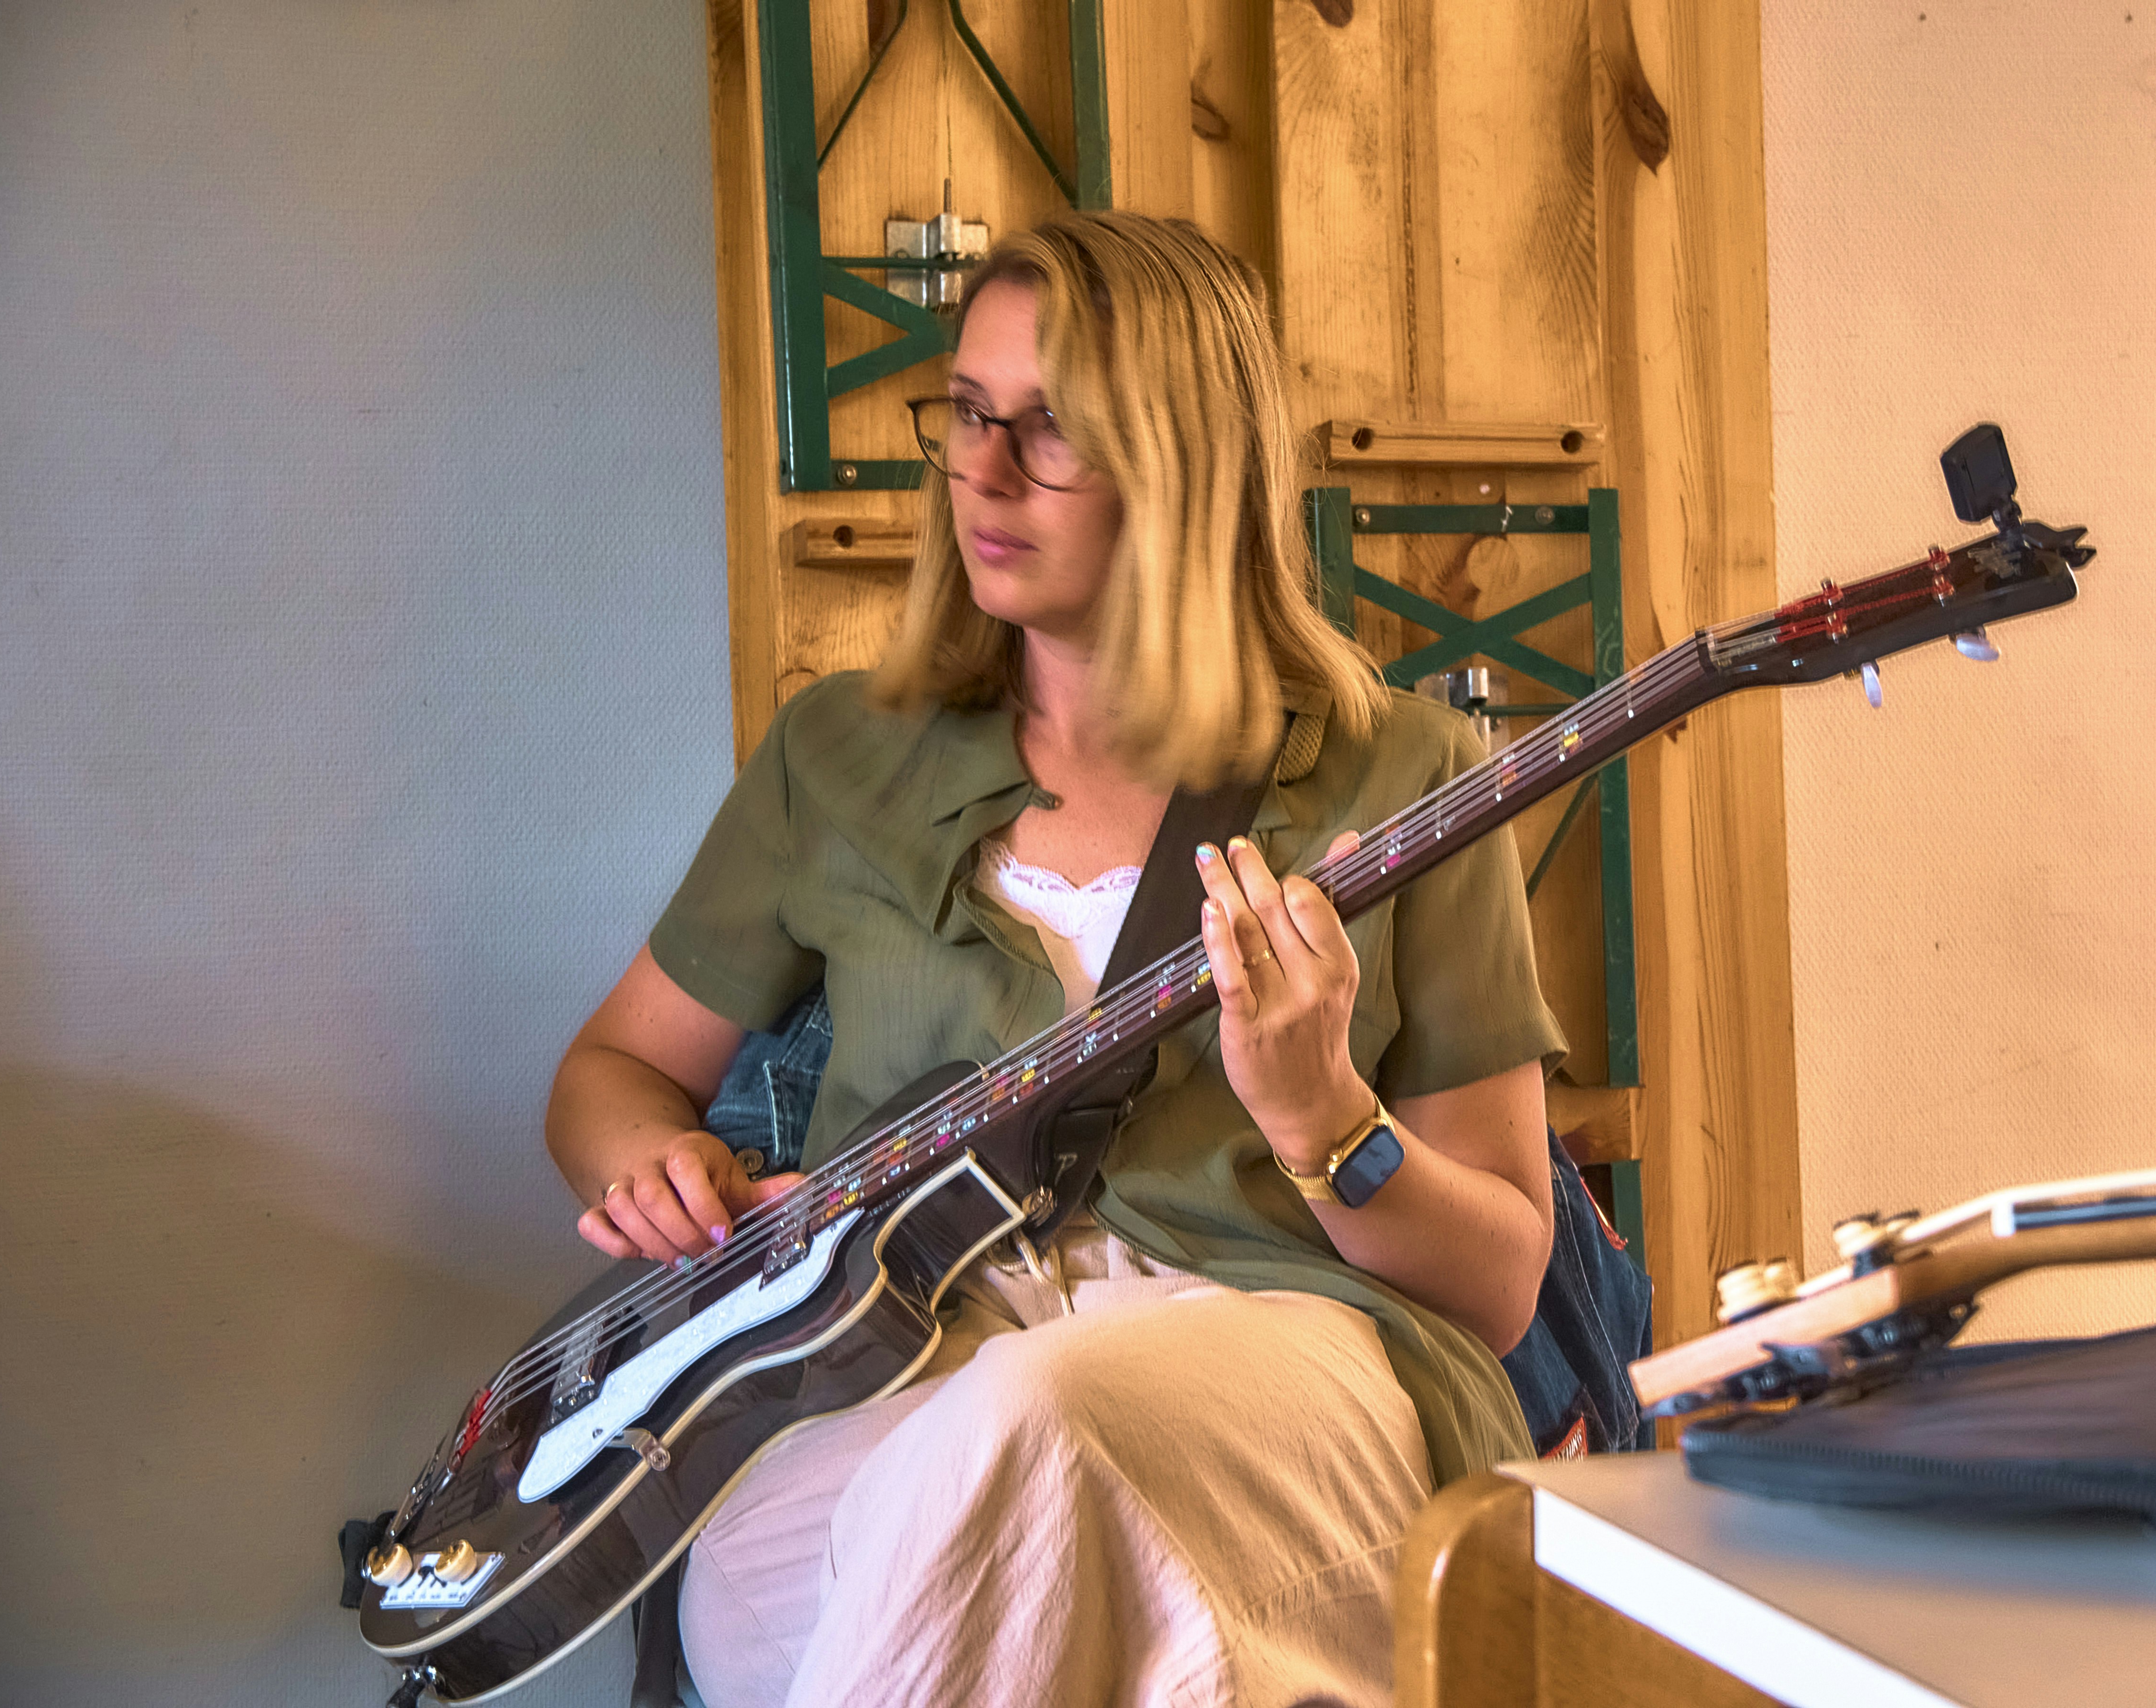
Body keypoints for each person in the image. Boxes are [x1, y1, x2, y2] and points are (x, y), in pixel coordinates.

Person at [544, 211, 1565, 1708]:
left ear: (1185, 467)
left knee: (1040, 1426)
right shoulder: (840, 758)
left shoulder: (1403, 774)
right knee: (823, 1547)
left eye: (1052, 432)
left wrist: (1328, 1126)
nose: (984, 472)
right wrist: (651, 1164)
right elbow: (612, 1073)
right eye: (965, 413)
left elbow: (1502, 1282)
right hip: (888, 1369)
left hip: (1283, 1366)